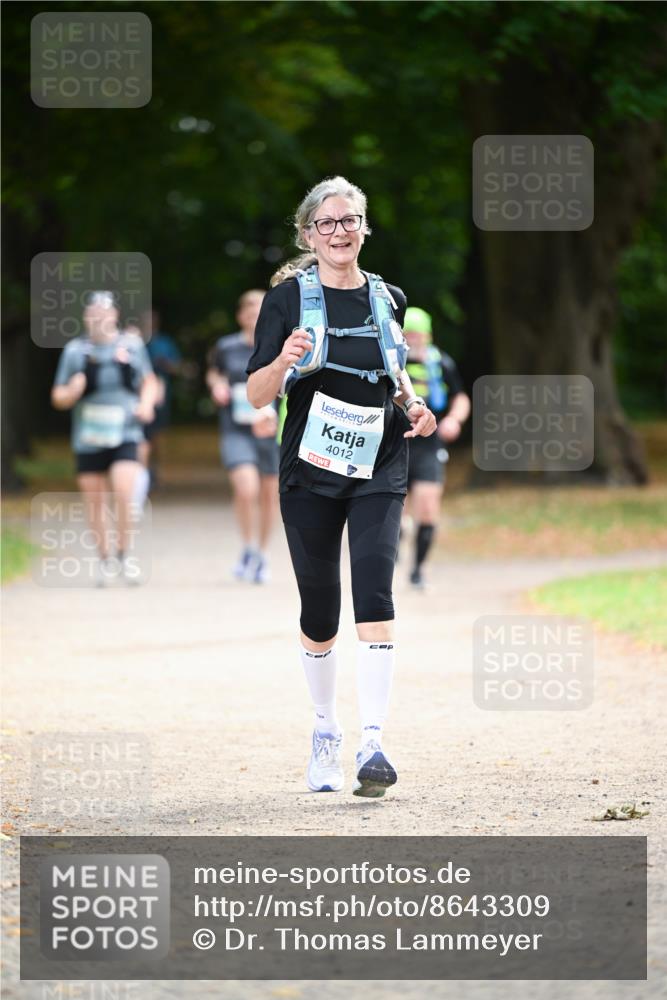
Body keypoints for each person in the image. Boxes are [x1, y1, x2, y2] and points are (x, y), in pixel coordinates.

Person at [246, 176, 436, 798]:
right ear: (308, 234)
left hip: (379, 460)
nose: (338, 232)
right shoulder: (286, 303)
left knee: (375, 593)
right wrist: (286, 358)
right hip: (310, 466)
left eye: (348, 221)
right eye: (325, 224)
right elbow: (257, 393)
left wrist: (416, 406)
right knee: (320, 609)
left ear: (363, 228)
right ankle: (326, 729)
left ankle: (373, 742)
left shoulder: (389, 298)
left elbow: (394, 376)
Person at [51, 291, 158, 586]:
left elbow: (149, 381)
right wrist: (71, 391)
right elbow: (57, 396)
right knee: (94, 501)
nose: (98, 318)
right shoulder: (75, 351)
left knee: (124, 492)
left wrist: (147, 404)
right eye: (92, 313)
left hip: (126, 432)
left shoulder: (132, 345)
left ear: (114, 316)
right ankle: (104, 559)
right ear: (86, 317)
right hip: (89, 436)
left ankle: (124, 554)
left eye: (104, 312)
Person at [207, 290, 279, 584]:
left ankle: (262, 554)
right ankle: (248, 547)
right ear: (240, 315)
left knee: (268, 495)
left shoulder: (280, 344)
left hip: (271, 431)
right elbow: (214, 373)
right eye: (248, 306)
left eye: (260, 307)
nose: (253, 312)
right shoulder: (226, 346)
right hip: (236, 428)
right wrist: (217, 385)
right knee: (246, 488)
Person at [403, 307, 470, 588]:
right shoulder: (393, 363)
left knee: (428, 509)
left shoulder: (441, 362)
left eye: (420, 334)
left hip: (430, 445)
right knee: (393, 510)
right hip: (396, 443)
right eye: (409, 334)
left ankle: (418, 570)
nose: (415, 339)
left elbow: (461, 397)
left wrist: (454, 420)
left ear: (428, 335)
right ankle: (390, 547)